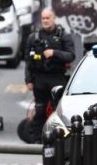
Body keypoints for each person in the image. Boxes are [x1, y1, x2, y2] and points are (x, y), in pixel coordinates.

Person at [25, 8, 75, 139]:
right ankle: (36, 139)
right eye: (43, 18)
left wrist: (54, 53)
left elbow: (71, 55)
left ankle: (58, 138)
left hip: (57, 78)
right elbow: (28, 61)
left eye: (48, 18)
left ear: (54, 19)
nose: (45, 21)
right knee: (40, 109)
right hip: (39, 78)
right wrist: (28, 80)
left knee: (57, 110)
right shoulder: (33, 37)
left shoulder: (63, 35)